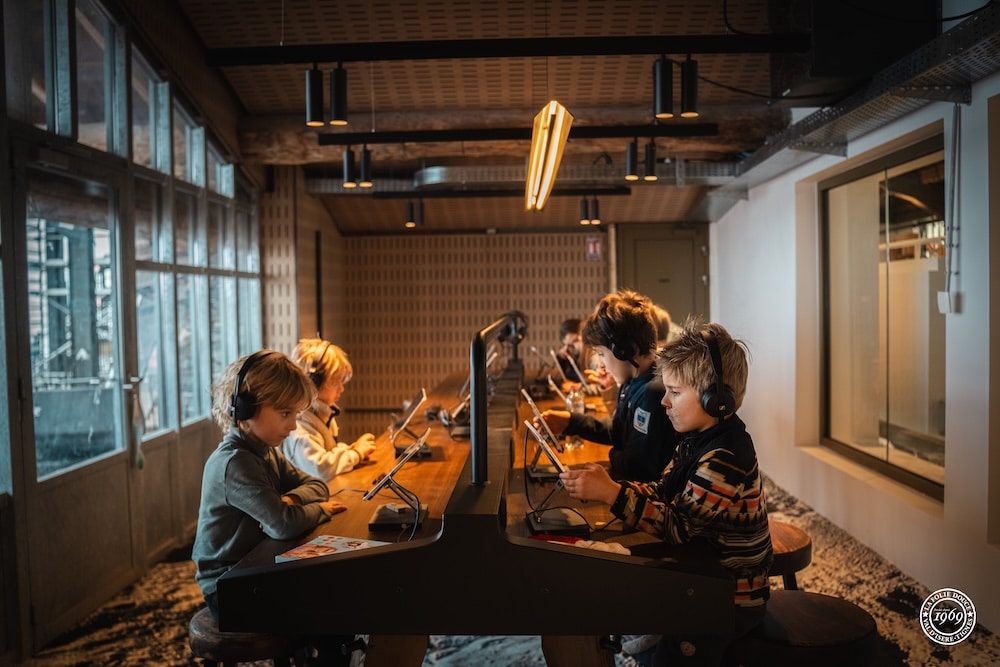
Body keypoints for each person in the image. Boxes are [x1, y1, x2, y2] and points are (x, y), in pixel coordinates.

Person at [543, 319, 773, 667]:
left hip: (728, 594)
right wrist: (613, 486)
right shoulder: (695, 439)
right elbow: (664, 490)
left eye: (675, 392)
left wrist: (612, 497)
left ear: (716, 400)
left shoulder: (725, 457)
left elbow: (680, 527)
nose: (664, 401)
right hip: (703, 571)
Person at [193, 350, 347, 620]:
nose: (292, 425)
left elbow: (316, 484)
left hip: (254, 568)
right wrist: (322, 509)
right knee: (331, 598)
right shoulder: (235, 463)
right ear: (245, 408)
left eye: (295, 414)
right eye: (285, 413)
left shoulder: (264, 450)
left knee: (334, 588)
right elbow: (283, 524)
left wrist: (293, 500)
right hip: (228, 585)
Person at [539, 290, 676, 483]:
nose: (601, 364)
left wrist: (611, 458)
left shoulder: (654, 393)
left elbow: (637, 467)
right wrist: (571, 422)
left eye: (601, 354)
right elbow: (618, 430)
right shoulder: (633, 380)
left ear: (625, 350)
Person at [282, 338, 377, 481]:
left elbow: (328, 451)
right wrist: (356, 454)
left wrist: (350, 450)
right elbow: (319, 469)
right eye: (335, 382)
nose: (341, 388)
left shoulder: (323, 412)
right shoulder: (297, 427)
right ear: (312, 383)